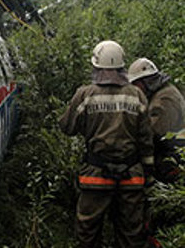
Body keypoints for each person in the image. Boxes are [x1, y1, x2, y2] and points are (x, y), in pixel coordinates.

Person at [59, 41, 153, 248]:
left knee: (88, 231)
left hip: (96, 176)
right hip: (131, 176)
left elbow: (67, 127)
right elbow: (146, 138)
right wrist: (148, 169)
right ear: (122, 67)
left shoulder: (85, 94)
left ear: (96, 66)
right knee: (131, 233)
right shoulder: (137, 95)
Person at [128, 58, 185, 183]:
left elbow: (153, 133)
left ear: (146, 82)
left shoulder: (163, 100)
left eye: (135, 84)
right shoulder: (163, 92)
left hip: (170, 159)